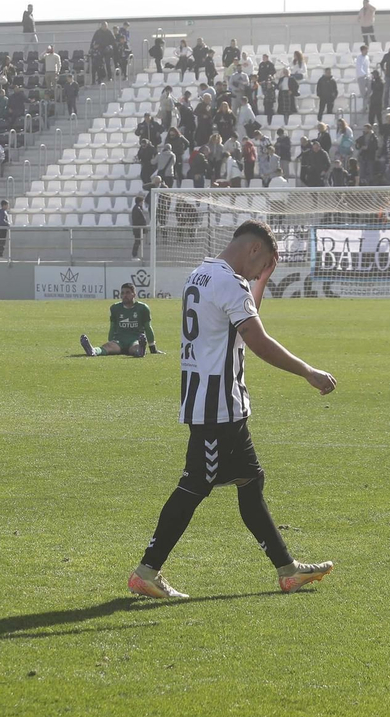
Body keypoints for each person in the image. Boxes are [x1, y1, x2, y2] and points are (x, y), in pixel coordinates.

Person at [126, 220, 337, 600]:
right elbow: (255, 339)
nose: (259, 274)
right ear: (254, 249)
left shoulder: (201, 275)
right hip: (217, 406)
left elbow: (239, 317)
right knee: (194, 486)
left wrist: (262, 282)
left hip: (210, 401)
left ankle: (287, 570)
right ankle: (147, 570)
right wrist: (308, 371)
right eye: (263, 266)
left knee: (250, 482)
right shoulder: (229, 282)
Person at [80, 282, 158, 358]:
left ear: (134, 294)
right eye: (123, 293)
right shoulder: (115, 308)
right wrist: (111, 341)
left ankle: (140, 351)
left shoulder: (142, 308)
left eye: (128, 293)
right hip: (119, 341)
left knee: (135, 347)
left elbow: (148, 327)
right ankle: (93, 350)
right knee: (107, 346)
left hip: (134, 339)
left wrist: (152, 348)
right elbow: (112, 327)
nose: (125, 295)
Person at [130, 195, 148, 260]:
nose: (142, 203)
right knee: (137, 241)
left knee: (138, 241)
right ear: (140, 202)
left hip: (139, 228)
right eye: (142, 201)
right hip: (138, 229)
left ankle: (135, 255)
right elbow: (137, 219)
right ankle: (134, 255)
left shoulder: (138, 208)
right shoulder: (136, 209)